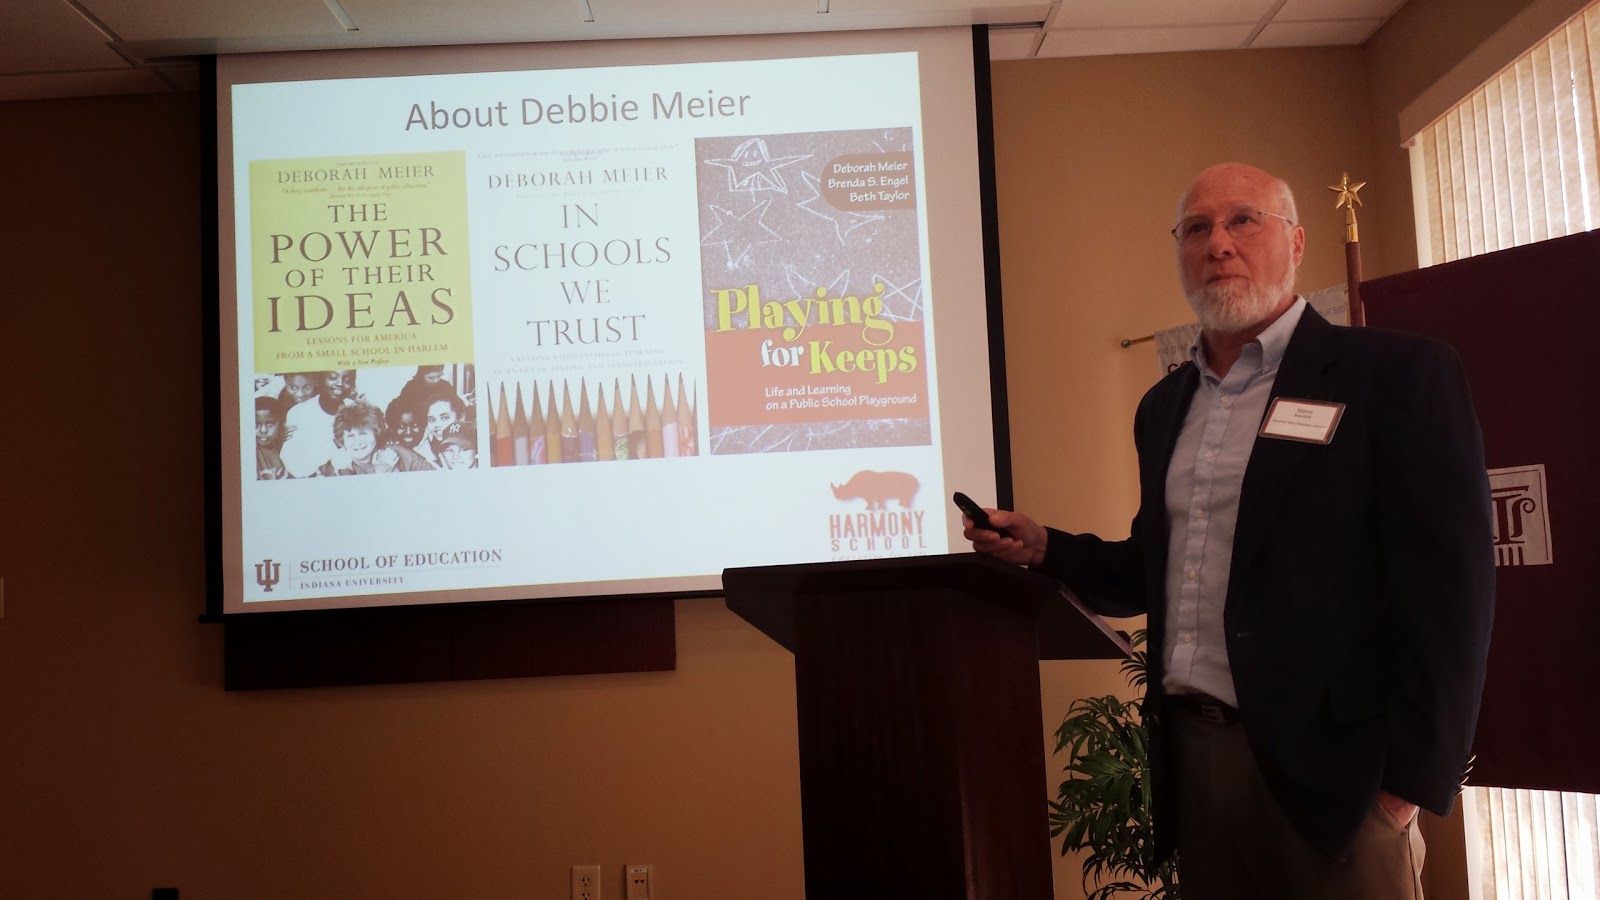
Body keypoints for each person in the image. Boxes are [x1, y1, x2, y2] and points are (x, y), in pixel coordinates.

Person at [965, 163, 1494, 899]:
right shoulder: (1164, 407)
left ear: (1297, 242)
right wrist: (1045, 546)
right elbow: (1155, 568)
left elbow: (1454, 594)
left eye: (1243, 219)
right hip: (1197, 764)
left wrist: (1409, 787)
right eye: (1196, 229)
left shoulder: (1397, 377)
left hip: (1343, 783)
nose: (1218, 244)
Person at [316, 400, 431, 476]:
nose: (358, 442)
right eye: (350, 436)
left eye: (363, 434)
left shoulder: (403, 455)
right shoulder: (336, 466)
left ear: (376, 434)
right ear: (342, 441)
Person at [281, 369, 358, 477]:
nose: (340, 383)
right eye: (333, 377)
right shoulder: (298, 413)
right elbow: (295, 467)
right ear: (320, 380)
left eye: (347, 380)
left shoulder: (357, 410)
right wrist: (335, 444)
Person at [254, 396, 289, 480]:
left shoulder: (288, 448)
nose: (263, 430)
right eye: (256, 424)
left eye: (270, 424)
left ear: (282, 424)